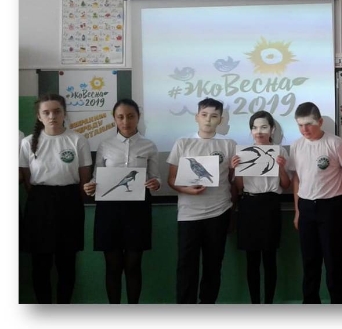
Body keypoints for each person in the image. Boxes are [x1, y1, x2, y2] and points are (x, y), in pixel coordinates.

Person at [83, 99, 160, 304]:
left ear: (138, 117)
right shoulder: (105, 145)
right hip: (109, 210)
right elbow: (96, 176)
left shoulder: (149, 145)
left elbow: (156, 177)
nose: (126, 121)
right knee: (113, 265)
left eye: (131, 116)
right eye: (121, 117)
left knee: (133, 264)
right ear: (114, 119)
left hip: (138, 209)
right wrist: (90, 185)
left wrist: (155, 183)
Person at [19, 94, 92, 304]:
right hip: (39, 204)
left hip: (70, 202)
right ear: (39, 116)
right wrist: (44, 198)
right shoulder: (27, 143)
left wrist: (70, 201)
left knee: (66, 263)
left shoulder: (77, 139)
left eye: (57, 111)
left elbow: (84, 179)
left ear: (64, 113)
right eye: (46, 112)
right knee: (40, 264)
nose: (52, 116)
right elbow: (27, 180)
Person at [166, 97, 237, 304]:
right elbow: (171, 179)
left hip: (219, 211)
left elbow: (233, 181)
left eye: (214, 116)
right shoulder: (183, 143)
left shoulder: (229, 144)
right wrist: (186, 190)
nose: (208, 120)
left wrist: (236, 170)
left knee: (213, 265)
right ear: (197, 117)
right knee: (186, 265)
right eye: (204, 115)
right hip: (188, 213)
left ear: (220, 119)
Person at [290, 102, 342, 304]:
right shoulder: (296, 146)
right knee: (309, 262)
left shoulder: (335, 143)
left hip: (331, 208)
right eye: (300, 125)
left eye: (309, 124)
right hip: (306, 207)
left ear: (320, 122)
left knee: (333, 262)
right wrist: (297, 211)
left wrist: (337, 191)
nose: (304, 129)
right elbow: (297, 179)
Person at [231, 111, 292, 304]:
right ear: (251, 131)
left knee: (269, 258)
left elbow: (286, 185)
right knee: (252, 260)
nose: (259, 131)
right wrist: (236, 169)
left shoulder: (280, 151)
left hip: (270, 205)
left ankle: (269, 303)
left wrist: (280, 168)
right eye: (255, 127)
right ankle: (255, 303)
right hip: (249, 205)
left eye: (264, 127)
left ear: (272, 129)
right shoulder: (243, 153)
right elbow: (239, 187)